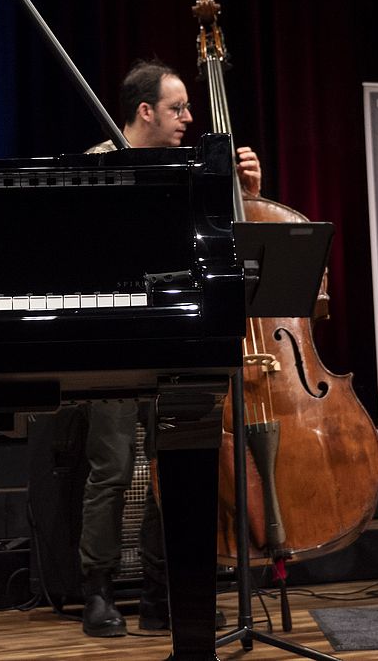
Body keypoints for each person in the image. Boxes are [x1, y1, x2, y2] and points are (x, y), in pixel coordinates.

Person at [78, 57, 260, 637]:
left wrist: (244, 193)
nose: (189, 118)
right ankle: (97, 591)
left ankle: (162, 593)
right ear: (145, 111)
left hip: (174, 334)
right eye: (178, 107)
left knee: (172, 464)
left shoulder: (191, 168)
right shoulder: (97, 168)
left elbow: (223, 249)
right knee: (111, 467)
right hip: (112, 335)